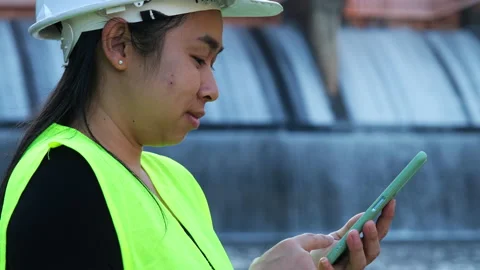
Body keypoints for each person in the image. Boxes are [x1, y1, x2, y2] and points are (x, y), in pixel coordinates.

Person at [0, 0, 396, 269]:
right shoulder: (61, 185)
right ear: (118, 43)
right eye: (197, 59)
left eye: (213, 63)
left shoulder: (175, 182)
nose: (212, 88)